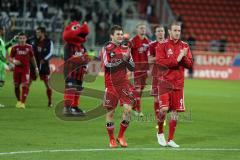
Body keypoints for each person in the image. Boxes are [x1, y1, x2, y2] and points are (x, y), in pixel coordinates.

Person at [155, 21, 193, 147]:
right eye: (175, 30)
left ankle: (170, 139)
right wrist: (177, 59)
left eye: (179, 31)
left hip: (178, 84)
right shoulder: (162, 45)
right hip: (165, 82)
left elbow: (190, 65)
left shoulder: (185, 46)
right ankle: (160, 132)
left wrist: (183, 57)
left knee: (175, 112)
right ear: (170, 31)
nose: (177, 33)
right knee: (164, 109)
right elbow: (161, 62)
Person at [101, 25, 137, 148]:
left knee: (128, 110)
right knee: (110, 113)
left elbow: (132, 67)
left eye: (122, 34)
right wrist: (123, 60)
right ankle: (111, 139)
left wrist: (127, 60)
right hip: (111, 85)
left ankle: (121, 136)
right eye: (118, 34)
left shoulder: (126, 48)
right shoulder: (106, 48)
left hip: (124, 84)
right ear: (112, 36)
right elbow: (107, 65)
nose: (121, 36)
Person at [9, 32, 38, 109]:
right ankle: (18, 101)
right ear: (18, 39)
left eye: (23, 38)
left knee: (25, 85)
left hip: (26, 70)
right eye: (20, 38)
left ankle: (23, 103)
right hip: (17, 70)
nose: (22, 40)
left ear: (26, 39)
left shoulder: (29, 47)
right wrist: (14, 61)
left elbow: (32, 58)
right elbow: (10, 58)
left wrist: (36, 68)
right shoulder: (14, 48)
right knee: (16, 85)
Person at [148, 25, 166, 136]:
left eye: (162, 31)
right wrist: (161, 58)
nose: (160, 33)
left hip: (167, 75)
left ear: (164, 32)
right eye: (158, 31)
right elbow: (150, 60)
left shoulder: (168, 44)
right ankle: (158, 120)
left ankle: (163, 118)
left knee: (165, 99)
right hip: (156, 74)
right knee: (155, 99)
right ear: (155, 33)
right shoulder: (152, 45)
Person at [29, 27, 54, 107]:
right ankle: (22, 102)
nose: (37, 34)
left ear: (43, 33)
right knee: (28, 82)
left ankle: (50, 102)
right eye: (36, 32)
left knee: (47, 84)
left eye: (38, 32)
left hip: (44, 66)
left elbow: (51, 53)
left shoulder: (49, 41)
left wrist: (44, 59)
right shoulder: (33, 40)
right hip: (34, 65)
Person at [129, 22, 150, 117]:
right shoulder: (133, 41)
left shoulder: (147, 41)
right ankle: (138, 110)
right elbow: (128, 53)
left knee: (140, 90)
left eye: (144, 28)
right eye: (141, 28)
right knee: (137, 89)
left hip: (145, 69)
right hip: (136, 69)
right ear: (137, 30)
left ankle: (133, 105)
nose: (143, 30)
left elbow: (148, 55)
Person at [0, 26, 18, 107]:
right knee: (1, 82)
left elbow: (5, 47)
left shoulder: (1, 40)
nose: (4, 31)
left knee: (1, 82)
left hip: (1, 63)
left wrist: (13, 40)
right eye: (3, 30)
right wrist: (6, 62)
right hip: (1, 63)